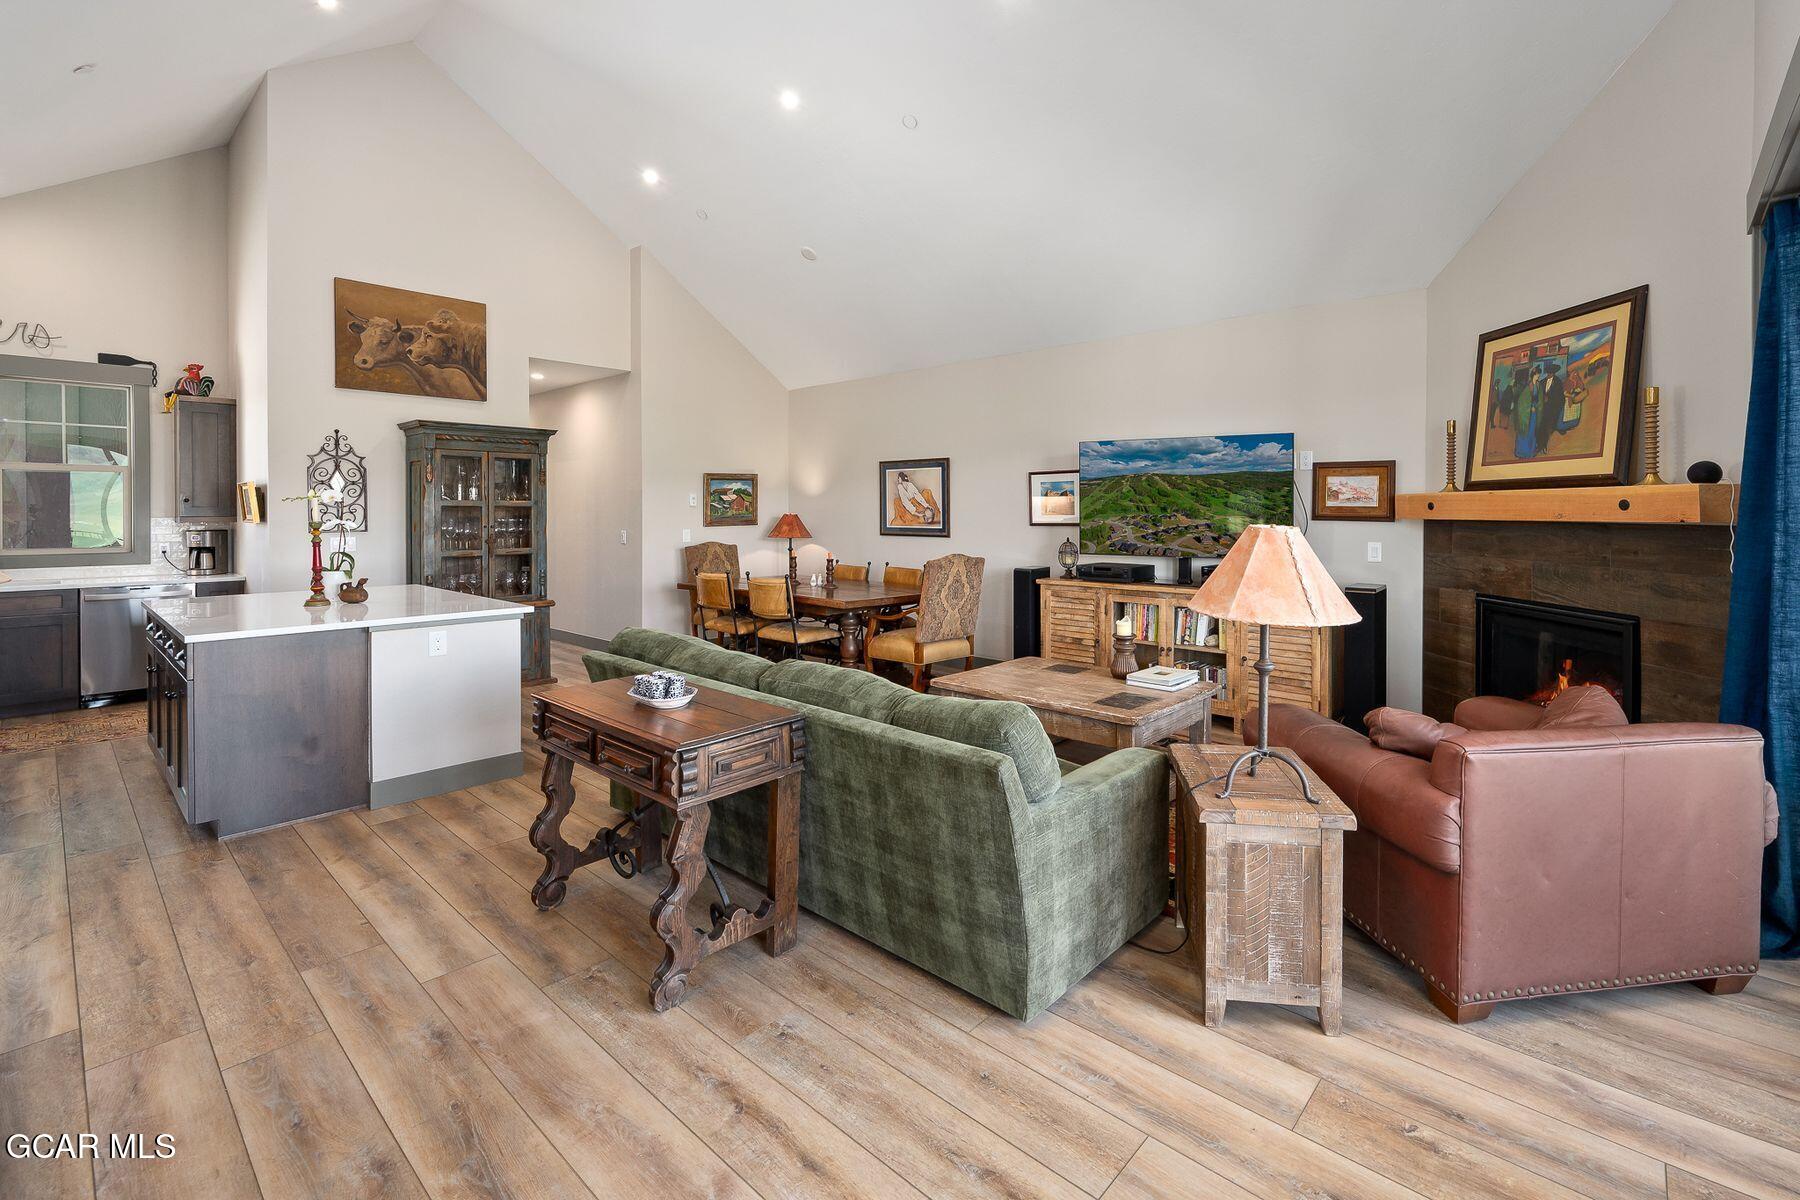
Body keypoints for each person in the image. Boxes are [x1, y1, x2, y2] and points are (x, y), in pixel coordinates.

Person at [1536, 362, 1567, 455]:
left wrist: (1549, 399)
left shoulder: (1558, 382)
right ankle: (1539, 445)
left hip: (1552, 410)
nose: (1549, 375)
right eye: (1548, 373)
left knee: (1546, 429)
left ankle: (1543, 446)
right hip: (1542, 410)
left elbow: (1560, 398)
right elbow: (1537, 395)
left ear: (1554, 373)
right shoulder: (1542, 382)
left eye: (1551, 373)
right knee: (1540, 428)